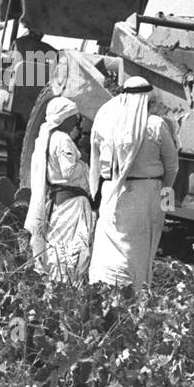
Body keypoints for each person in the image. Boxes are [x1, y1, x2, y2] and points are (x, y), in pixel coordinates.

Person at [87, 75, 178, 289]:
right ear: (147, 100)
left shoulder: (106, 124)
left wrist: (97, 196)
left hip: (111, 193)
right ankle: (134, 297)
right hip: (147, 196)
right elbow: (173, 167)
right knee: (138, 253)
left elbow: (96, 164)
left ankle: (103, 292)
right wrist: (166, 202)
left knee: (108, 249)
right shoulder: (156, 125)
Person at [24, 97, 94, 282]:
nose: (76, 122)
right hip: (71, 203)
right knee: (72, 249)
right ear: (65, 118)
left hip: (59, 200)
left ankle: (55, 286)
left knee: (58, 246)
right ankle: (64, 287)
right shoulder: (63, 139)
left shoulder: (49, 137)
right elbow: (68, 170)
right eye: (73, 117)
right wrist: (86, 165)